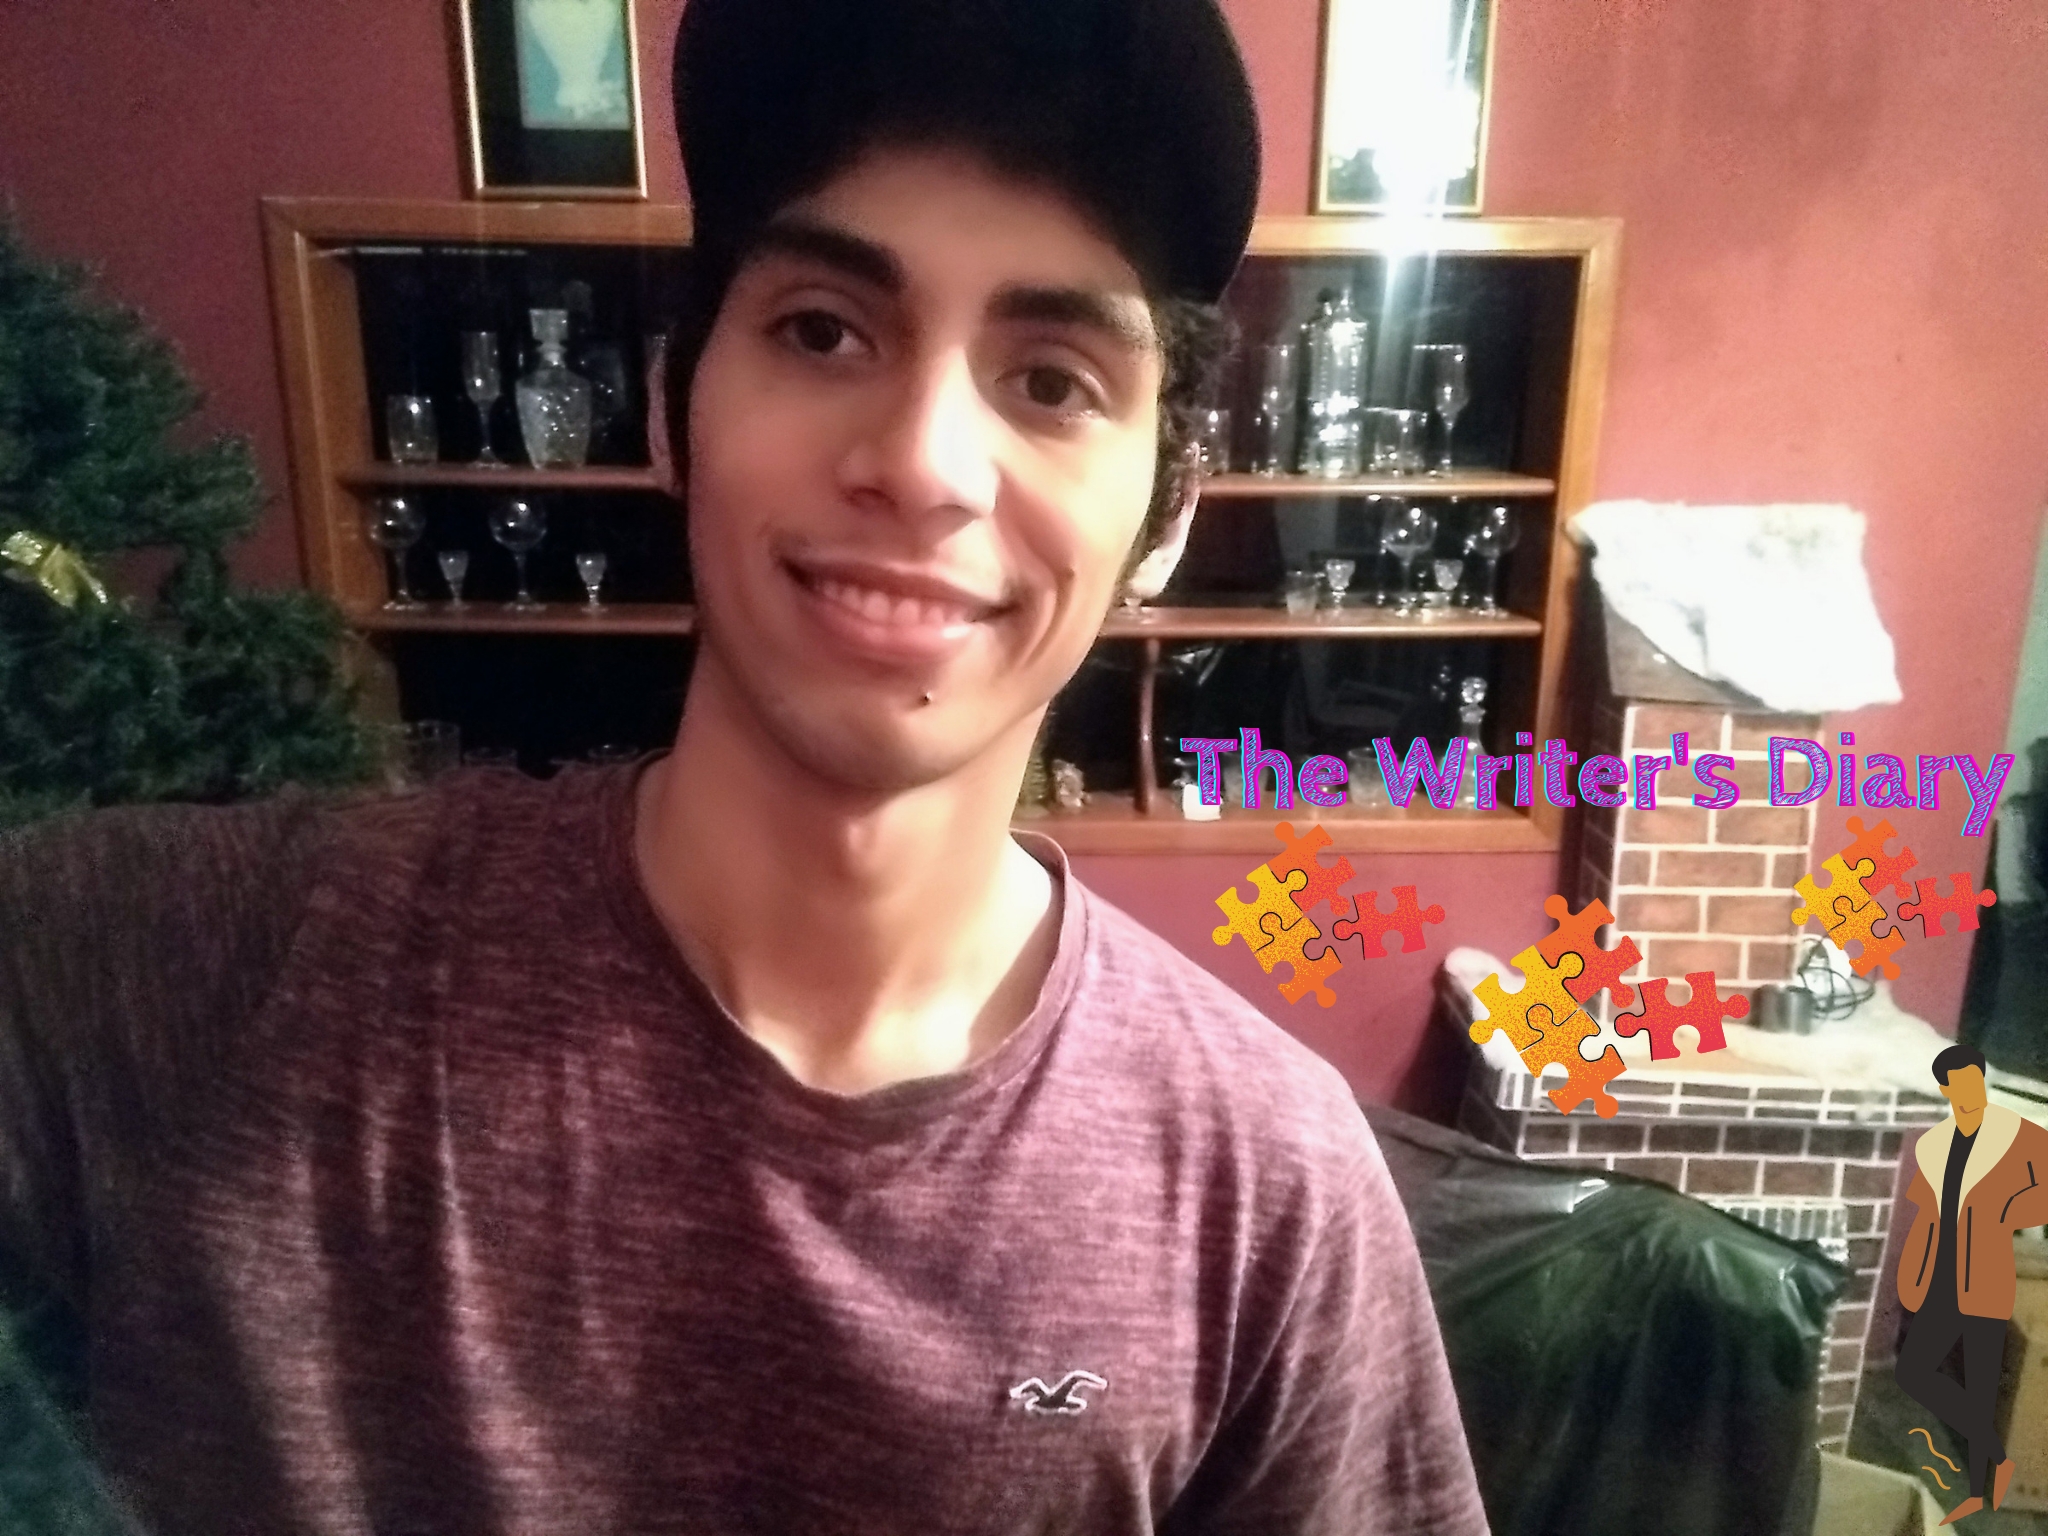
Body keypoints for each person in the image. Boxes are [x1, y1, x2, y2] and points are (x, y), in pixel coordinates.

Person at [0, 0, 1489, 1530]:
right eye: (824, 332)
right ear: (673, 412)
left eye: (1052, 381)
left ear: (1168, 511)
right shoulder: (182, 975)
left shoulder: (1264, 1190)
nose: (922, 464)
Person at [1894, 1042, 2048, 1524]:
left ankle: (1981, 1491)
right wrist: (1913, 1279)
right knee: (1913, 1372)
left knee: (1982, 1386)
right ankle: (1996, 1455)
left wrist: (2004, 1211)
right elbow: (1927, 1216)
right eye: (1956, 1084)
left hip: (1985, 1280)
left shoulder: (2018, 1135)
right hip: (1943, 1279)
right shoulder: (1936, 1144)